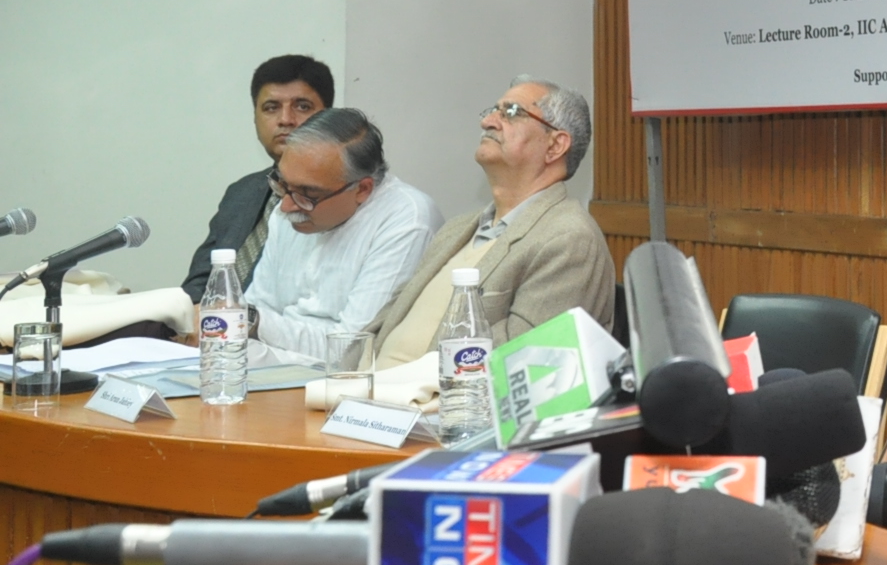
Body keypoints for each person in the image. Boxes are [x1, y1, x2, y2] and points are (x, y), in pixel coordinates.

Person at [366, 79, 613, 368]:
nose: (488, 121)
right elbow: (380, 326)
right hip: (362, 402)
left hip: (436, 408)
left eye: (511, 112)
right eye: (493, 110)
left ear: (555, 145)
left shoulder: (569, 239)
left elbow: (523, 366)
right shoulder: (456, 229)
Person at [245, 107, 440, 360]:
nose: (286, 206)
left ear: (362, 189)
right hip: (274, 368)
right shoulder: (290, 206)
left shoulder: (408, 220)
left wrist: (257, 323)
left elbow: (352, 350)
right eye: (282, 185)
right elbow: (256, 309)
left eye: (308, 195)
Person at [181, 54, 334, 301]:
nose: (286, 119)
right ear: (255, 119)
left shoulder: (342, 197)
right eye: (271, 108)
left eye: (302, 106)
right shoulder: (241, 192)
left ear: (329, 117)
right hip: (215, 331)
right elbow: (199, 284)